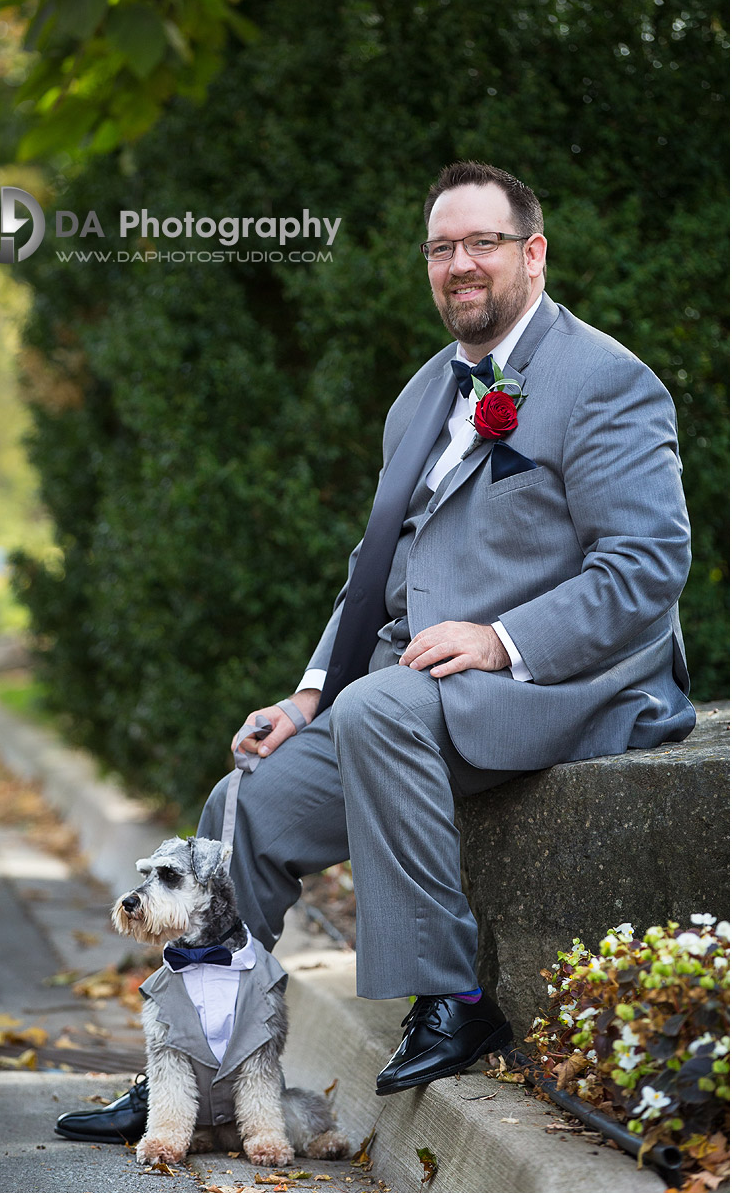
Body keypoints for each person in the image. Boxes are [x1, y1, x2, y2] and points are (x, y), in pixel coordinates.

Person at [55, 160, 694, 1142]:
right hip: (414, 687)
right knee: (245, 799)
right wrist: (310, 693)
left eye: (482, 242)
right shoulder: (421, 397)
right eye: (442, 247)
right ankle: (186, 1066)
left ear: (533, 251)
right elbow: (371, 570)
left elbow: (648, 566)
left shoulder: (607, 381)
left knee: (381, 703)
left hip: (568, 680)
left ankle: (452, 997)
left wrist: (499, 636)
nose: (459, 264)